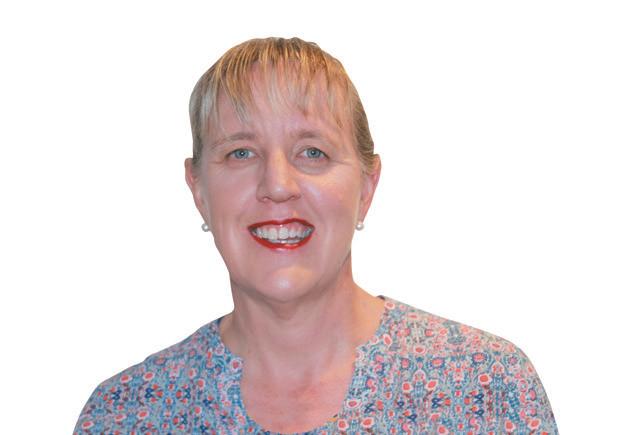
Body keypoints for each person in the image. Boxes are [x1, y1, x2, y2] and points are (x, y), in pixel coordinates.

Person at [74, 37, 558, 434]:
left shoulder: (487, 389)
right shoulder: (123, 415)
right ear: (199, 190)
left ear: (366, 187)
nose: (277, 185)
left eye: (312, 152)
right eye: (241, 153)